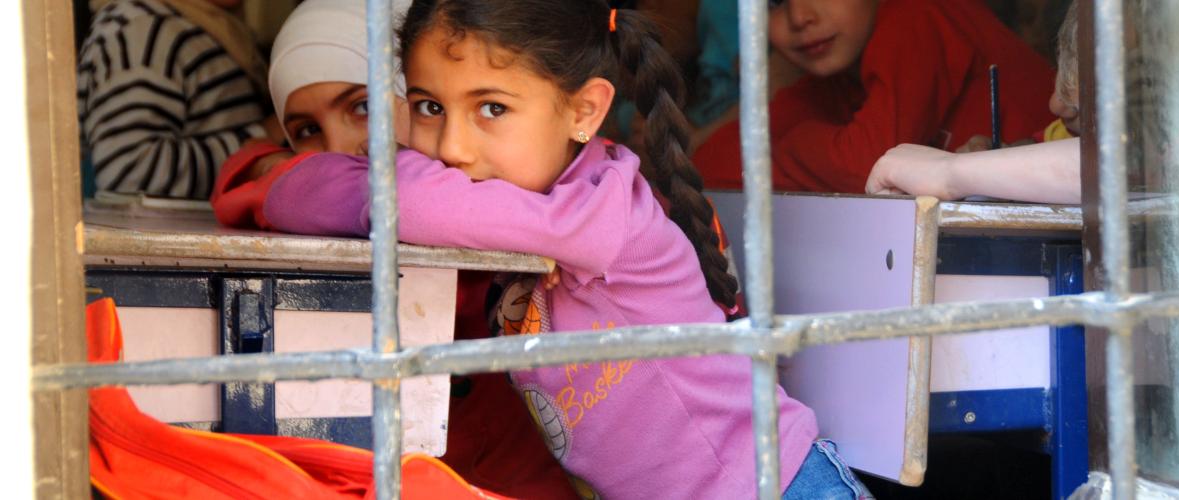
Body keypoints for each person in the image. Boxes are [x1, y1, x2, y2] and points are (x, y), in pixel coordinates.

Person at [258, 1, 871, 498]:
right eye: (427, 107)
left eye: (491, 108)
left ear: (585, 111)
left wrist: (368, 181)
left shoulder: (597, 210)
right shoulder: (521, 200)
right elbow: (292, 194)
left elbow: (404, 203)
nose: (450, 147)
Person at [207, 3, 578, 498]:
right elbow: (247, 164)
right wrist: (270, 168)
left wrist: (286, 175)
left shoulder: (549, 188)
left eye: (362, 107)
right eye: (307, 131)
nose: (340, 147)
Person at [691, 0, 1056, 193]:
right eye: (773, 1)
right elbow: (710, 167)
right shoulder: (839, 75)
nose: (800, 16)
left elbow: (866, 166)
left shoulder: (916, 16)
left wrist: (786, 148)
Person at [866, 0, 1082, 204]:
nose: (1055, 105)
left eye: (1090, 85)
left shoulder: (917, 14)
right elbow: (1054, 148)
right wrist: (1002, 158)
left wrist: (950, 172)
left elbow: (1107, 167)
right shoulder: (1061, 132)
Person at [78, 0, 280, 199]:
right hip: (158, 230)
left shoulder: (201, 24)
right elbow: (129, 172)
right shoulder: (145, 29)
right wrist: (264, 138)